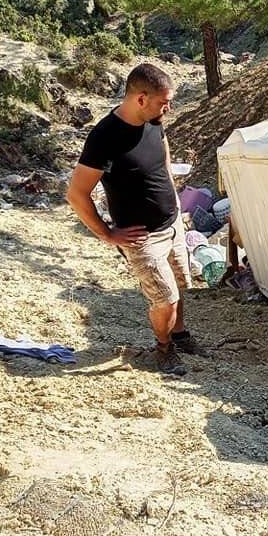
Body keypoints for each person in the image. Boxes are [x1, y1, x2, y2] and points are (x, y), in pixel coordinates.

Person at [67, 63, 202, 376]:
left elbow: (163, 158)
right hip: (141, 237)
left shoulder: (153, 120)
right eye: (163, 102)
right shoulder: (104, 138)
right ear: (141, 98)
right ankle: (164, 348)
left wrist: (174, 199)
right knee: (165, 299)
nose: (168, 109)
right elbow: (76, 194)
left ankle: (180, 335)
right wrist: (107, 234)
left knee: (179, 285)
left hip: (172, 223)